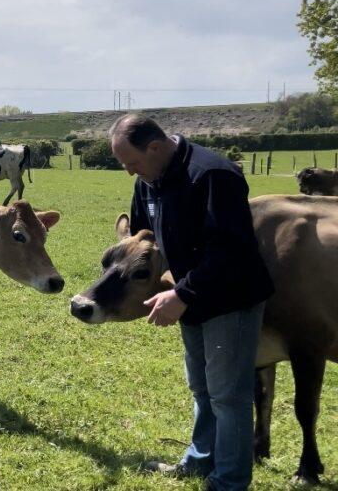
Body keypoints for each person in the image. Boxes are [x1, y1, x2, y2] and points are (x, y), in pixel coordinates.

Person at [109, 114, 274, 491]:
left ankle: (229, 482)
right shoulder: (148, 180)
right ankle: (201, 462)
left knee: (229, 395)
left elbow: (231, 249)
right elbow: (144, 238)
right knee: (202, 388)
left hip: (230, 300)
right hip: (189, 299)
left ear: (155, 146)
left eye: (130, 162)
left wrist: (182, 293)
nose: (128, 171)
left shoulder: (214, 174)